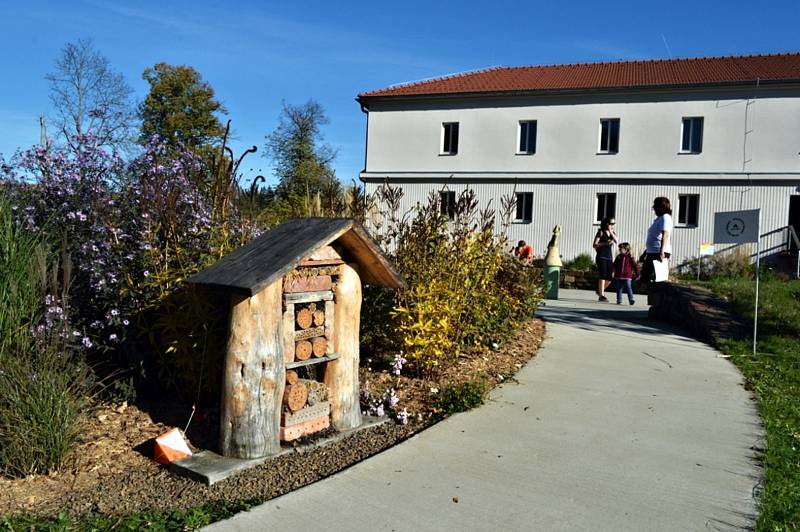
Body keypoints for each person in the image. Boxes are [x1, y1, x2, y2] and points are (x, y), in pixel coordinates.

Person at [640, 196, 673, 283]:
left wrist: (662, 251)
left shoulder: (666, 217)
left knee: (659, 279)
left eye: (655, 207)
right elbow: (654, 237)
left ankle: (660, 295)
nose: (654, 209)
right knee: (644, 277)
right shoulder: (659, 219)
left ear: (661, 207)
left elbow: (665, 235)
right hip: (652, 252)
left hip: (659, 252)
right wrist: (645, 253)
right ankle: (652, 295)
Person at [593, 217, 617, 302]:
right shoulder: (600, 232)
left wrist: (611, 232)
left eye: (614, 224)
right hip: (601, 256)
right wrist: (605, 243)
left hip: (609, 257)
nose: (613, 225)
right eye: (611, 224)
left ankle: (599, 290)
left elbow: (616, 241)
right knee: (603, 275)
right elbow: (595, 244)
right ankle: (601, 295)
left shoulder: (612, 233)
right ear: (607, 224)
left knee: (610, 277)